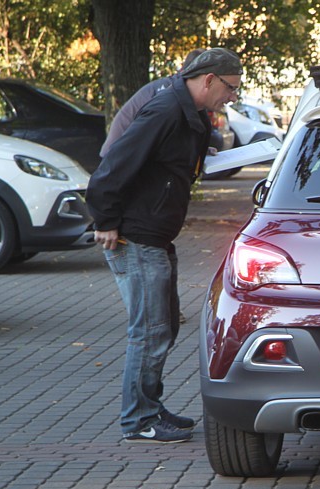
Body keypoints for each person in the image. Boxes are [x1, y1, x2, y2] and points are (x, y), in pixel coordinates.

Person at [86, 48, 243, 444]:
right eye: (230, 88)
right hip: (136, 236)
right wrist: (105, 219)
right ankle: (139, 420)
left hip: (154, 235)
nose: (232, 97)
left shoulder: (187, 112)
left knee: (164, 326)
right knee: (150, 331)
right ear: (208, 80)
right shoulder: (166, 110)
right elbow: (114, 164)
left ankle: (149, 408)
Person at [99, 49, 205, 157]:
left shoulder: (175, 87)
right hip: (117, 154)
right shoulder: (169, 92)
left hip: (125, 151)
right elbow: (162, 137)